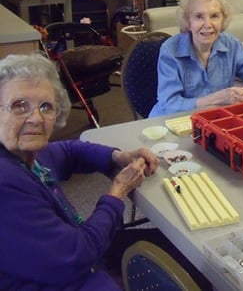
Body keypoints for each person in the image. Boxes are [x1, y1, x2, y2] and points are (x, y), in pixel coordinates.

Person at [0, 53, 160, 290]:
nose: (36, 118)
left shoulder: (27, 152)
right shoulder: (5, 182)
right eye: (19, 106)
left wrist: (118, 156)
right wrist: (117, 194)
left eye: (46, 106)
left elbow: (68, 151)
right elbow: (76, 255)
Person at [149, 0, 243, 117]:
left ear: (223, 19)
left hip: (214, 120)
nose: (208, 25)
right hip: (171, 122)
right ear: (188, 22)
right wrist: (218, 98)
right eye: (199, 17)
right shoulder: (170, 50)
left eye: (214, 16)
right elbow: (170, 105)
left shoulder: (231, 44)